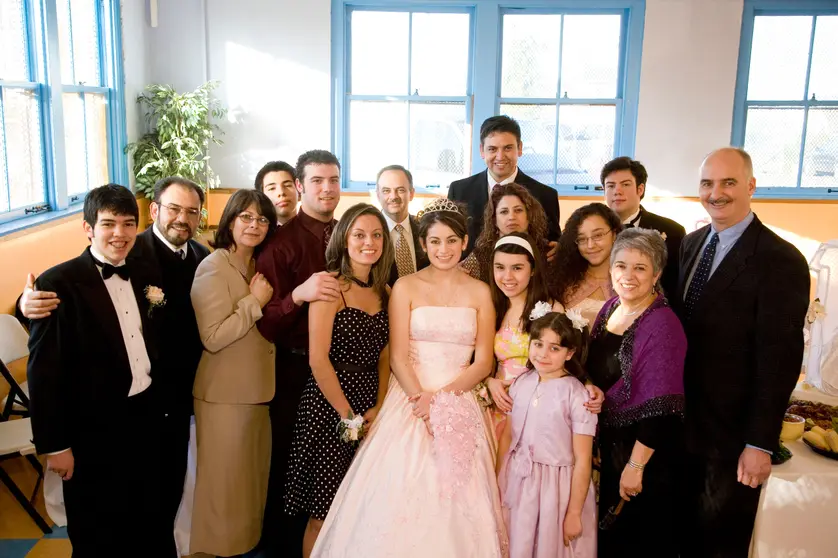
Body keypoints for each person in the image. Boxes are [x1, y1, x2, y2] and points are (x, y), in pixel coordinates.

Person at [19, 176, 211, 556]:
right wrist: (56, 445)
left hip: (152, 416)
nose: (119, 234)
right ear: (88, 228)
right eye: (108, 224)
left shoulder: (147, 270)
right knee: (96, 529)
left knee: (154, 518)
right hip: (94, 426)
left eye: (127, 224)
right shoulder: (58, 282)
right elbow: (43, 373)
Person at [310, 198, 507, 557]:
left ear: (464, 243)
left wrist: (442, 399)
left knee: (458, 499)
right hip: (409, 399)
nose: (443, 249)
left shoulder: (480, 292)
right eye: (434, 241)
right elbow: (397, 356)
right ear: (422, 244)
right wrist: (421, 400)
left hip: (458, 400)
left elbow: (482, 362)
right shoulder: (404, 287)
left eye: (451, 241)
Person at [676, 148, 810, 558]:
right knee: (682, 535)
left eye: (728, 182)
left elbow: (780, 359)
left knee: (720, 542)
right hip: (683, 426)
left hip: (732, 437)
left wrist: (760, 443)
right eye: (707, 184)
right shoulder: (691, 244)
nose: (716, 193)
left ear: (751, 186)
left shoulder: (781, 260)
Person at [285, 203, 394, 557]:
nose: (369, 242)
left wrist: (378, 406)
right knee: (324, 510)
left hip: (371, 406)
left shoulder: (386, 292)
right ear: (344, 239)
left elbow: (385, 357)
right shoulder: (330, 286)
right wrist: (347, 416)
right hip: (329, 406)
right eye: (359, 234)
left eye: (377, 235)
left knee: (361, 507)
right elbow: (318, 359)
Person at [255, 149, 342, 557]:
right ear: (300, 186)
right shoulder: (280, 245)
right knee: (293, 473)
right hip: (295, 375)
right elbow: (266, 322)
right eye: (317, 181)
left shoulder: (347, 233)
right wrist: (298, 296)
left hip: (345, 371)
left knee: (338, 466)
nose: (327, 189)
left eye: (333, 180)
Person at [587, 228, 687, 557]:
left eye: (640, 268)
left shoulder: (663, 325)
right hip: (610, 444)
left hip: (643, 453)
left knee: (635, 538)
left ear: (657, 273)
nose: (628, 276)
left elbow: (663, 407)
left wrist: (636, 466)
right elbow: (595, 367)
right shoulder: (610, 308)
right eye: (621, 265)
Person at [189, 190, 278, 557]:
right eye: (246, 217)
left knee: (247, 487)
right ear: (229, 221)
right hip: (224, 395)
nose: (254, 225)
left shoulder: (258, 265)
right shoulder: (212, 267)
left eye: (261, 220)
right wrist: (253, 303)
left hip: (257, 391)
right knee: (223, 491)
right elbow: (212, 337)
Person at [497, 310, 598, 558]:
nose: (543, 354)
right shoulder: (522, 383)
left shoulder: (577, 395)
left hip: (557, 491)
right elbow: (508, 437)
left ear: (570, 353)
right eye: (538, 344)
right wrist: (499, 479)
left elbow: (583, 460)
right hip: (519, 483)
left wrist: (574, 512)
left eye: (555, 348)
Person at [448, 115, 561, 257]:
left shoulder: (545, 195)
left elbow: (553, 244)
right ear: (482, 150)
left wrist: (559, 250)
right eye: (492, 149)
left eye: (507, 148)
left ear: (519, 148)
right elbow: (450, 238)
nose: (500, 156)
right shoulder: (459, 191)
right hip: (468, 276)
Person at [601, 157, 685, 298]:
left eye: (625, 184)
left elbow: (674, 284)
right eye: (610, 186)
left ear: (640, 189)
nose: (617, 191)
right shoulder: (593, 229)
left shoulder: (672, 231)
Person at [460, 183, 554, 286]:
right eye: (504, 212)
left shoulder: (549, 254)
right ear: (494, 219)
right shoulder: (479, 257)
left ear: (529, 215)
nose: (511, 217)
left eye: (518, 210)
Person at [553, 203, 623, 325]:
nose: (590, 245)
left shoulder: (630, 281)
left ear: (614, 234)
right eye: (582, 239)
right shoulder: (563, 282)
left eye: (598, 235)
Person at [374, 164, 429, 284]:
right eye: (386, 191)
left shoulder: (426, 229)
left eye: (400, 190)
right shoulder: (370, 232)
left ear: (411, 193)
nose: (393, 196)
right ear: (378, 195)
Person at [255, 160, 299, 225]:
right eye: (272, 188)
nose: (281, 193)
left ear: (299, 189)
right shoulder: (258, 232)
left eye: (287, 185)